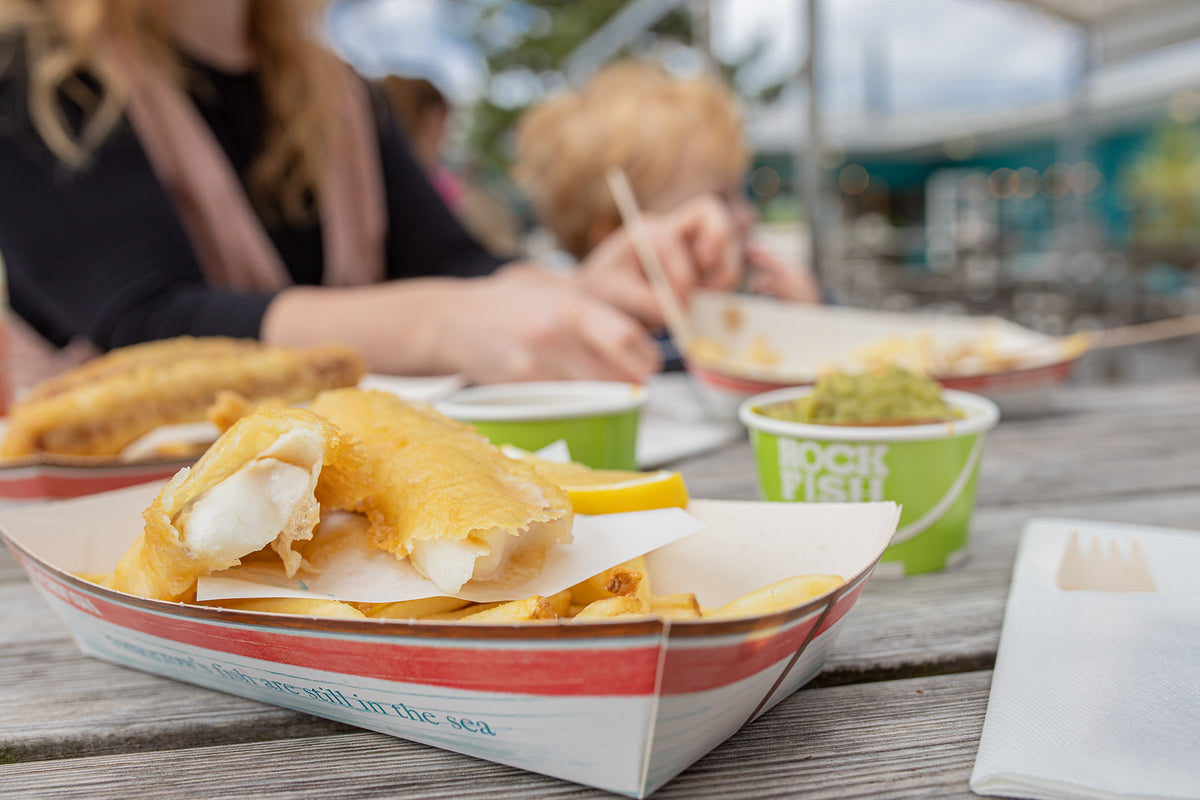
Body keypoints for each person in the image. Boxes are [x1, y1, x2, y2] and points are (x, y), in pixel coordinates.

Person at [0, 1, 748, 387]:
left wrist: (582, 288)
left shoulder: (338, 94)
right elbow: (145, 326)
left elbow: (456, 265)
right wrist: (434, 324)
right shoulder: (32, 71)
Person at [513, 60, 820, 303]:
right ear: (616, 235)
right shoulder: (576, 326)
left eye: (741, 195)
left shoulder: (750, 302)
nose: (747, 217)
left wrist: (804, 322)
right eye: (719, 201)